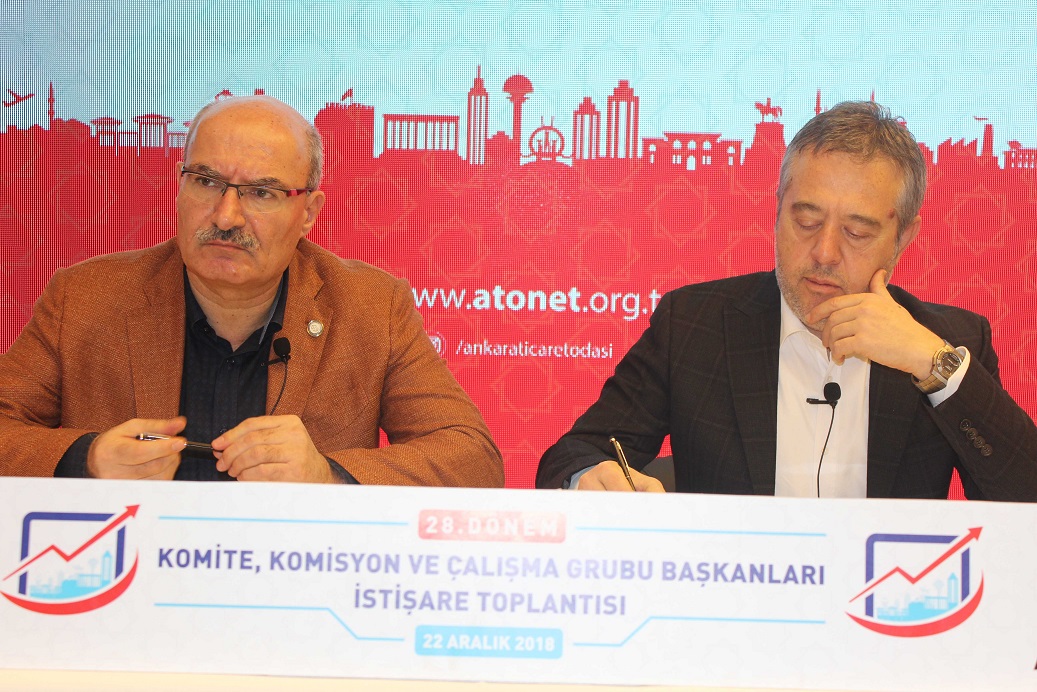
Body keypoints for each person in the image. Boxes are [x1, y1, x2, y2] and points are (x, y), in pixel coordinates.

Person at [537, 101, 1037, 501]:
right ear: (777, 210)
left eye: (857, 232)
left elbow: (1024, 499)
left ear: (903, 237)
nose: (824, 252)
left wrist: (933, 364)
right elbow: (574, 454)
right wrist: (589, 478)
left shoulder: (951, 342)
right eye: (806, 220)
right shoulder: (694, 325)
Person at [0, 95, 504, 486]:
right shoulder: (85, 297)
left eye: (261, 192)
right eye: (206, 181)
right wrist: (84, 458)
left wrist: (327, 475)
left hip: (295, 580)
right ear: (179, 186)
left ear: (308, 213)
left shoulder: (371, 307)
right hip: (127, 576)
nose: (226, 216)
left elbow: (472, 459)